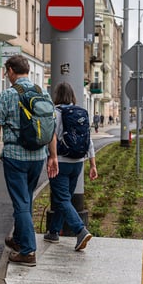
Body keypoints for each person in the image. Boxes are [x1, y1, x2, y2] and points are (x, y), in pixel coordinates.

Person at [0, 55, 58, 267]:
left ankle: (28, 251)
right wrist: (53, 156)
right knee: (26, 200)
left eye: (7, 72)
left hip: (15, 157)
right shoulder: (43, 94)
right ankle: (18, 240)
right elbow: (51, 130)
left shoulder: (7, 95)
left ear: (12, 71)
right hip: (38, 157)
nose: (6, 76)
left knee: (21, 202)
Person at [44, 82, 96, 251]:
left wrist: (52, 157)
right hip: (78, 163)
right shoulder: (81, 113)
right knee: (64, 198)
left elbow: (51, 136)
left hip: (61, 161)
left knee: (62, 198)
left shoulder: (56, 112)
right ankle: (53, 232)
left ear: (57, 95)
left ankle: (80, 230)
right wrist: (93, 164)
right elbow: (89, 140)